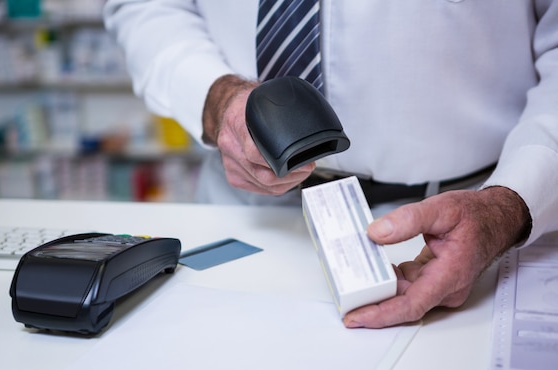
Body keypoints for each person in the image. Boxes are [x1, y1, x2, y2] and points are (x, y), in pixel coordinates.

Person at [103, 1, 558, 328]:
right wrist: (214, 96)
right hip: (246, 210)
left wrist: (508, 206)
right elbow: (146, 6)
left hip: (450, 232)